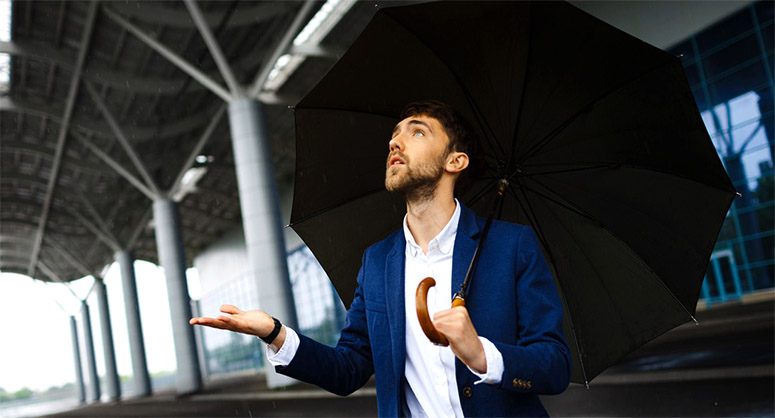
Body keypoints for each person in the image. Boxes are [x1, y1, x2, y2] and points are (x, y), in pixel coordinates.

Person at [190, 100, 571, 417]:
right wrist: (274, 332)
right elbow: (348, 369)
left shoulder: (511, 246)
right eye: (394, 136)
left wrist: (482, 354)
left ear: (455, 161)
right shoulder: (378, 263)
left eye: (417, 132)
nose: (395, 143)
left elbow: (554, 364)